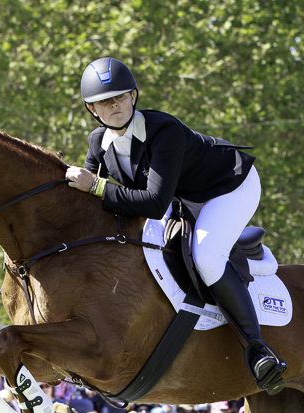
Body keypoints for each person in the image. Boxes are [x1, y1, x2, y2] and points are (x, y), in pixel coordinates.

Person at [65, 56, 286, 393]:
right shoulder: (99, 143)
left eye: (120, 97)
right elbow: (89, 205)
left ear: (133, 97)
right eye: (103, 102)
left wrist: (95, 186)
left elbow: (153, 203)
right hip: (184, 196)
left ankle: (258, 350)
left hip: (229, 186)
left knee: (206, 257)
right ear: (91, 109)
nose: (114, 106)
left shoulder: (163, 130)